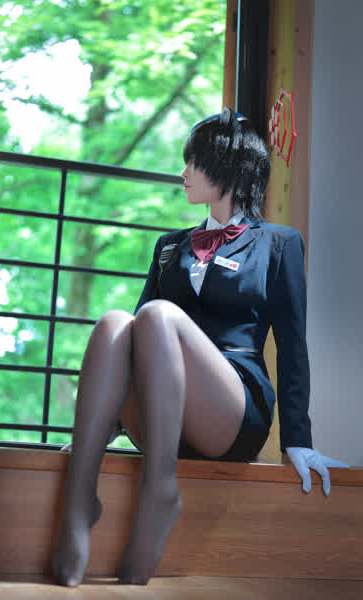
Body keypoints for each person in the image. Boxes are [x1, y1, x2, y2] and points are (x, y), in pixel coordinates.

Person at [52, 107, 347, 588]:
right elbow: (131, 348)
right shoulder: (170, 246)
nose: (183, 173)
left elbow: (293, 343)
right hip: (159, 412)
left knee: (158, 315)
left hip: (231, 409)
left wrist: (299, 440)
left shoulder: (278, 243)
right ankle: (79, 498)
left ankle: (160, 491)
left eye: (193, 162)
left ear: (228, 167)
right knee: (114, 324)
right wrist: (107, 425)